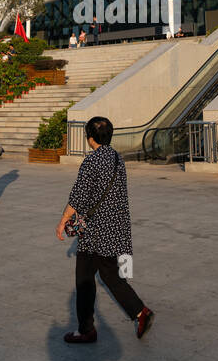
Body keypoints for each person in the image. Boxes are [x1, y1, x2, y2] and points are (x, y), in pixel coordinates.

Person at [56, 116, 154, 343]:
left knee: (84, 279)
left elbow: (78, 197)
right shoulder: (117, 158)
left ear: (90, 138)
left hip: (95, 232)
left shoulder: (91, 161)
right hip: (115, 227)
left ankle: (86, 330)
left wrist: (63, 220)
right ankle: (140, 312)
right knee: (110, 274)